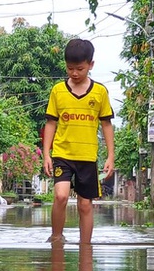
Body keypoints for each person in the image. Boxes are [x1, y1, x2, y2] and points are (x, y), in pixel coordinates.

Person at [42, 38, 115, 244]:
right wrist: (46, 154)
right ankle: (56, 238)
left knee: (85, 204)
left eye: (80, 69)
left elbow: (106, 124)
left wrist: (110, 155)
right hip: (62, 154)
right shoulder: (57, 91)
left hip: (87, 156)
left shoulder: (100, 92)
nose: (74, 73)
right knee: (61, 196)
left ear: (91, 65)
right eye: (70, 68)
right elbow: (51, 123)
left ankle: (86, 247)